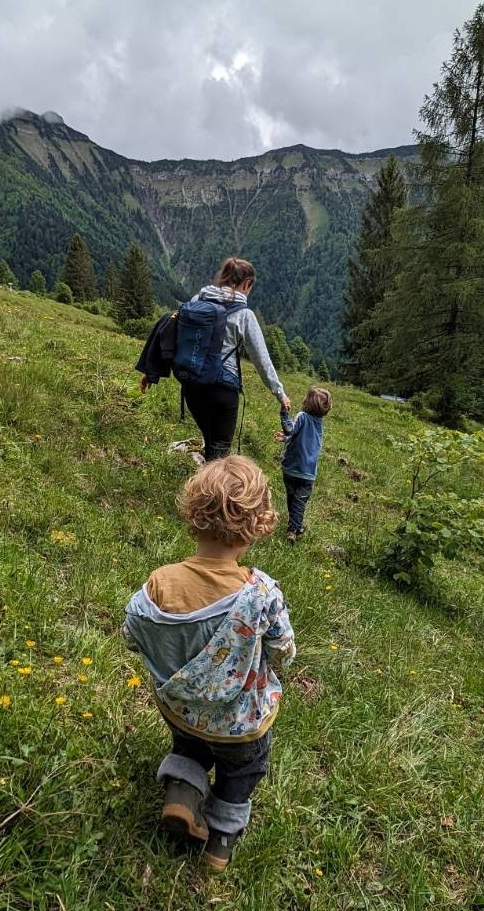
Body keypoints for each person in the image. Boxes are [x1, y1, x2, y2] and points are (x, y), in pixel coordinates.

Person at [123, 456, 296, 871]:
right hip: (240, 723)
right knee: (242, 773)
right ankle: (219, 846)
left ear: (192, 514)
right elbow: (284, 650)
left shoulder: (161, 582)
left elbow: (132, 633)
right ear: (258, 525)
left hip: (181, 711)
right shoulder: (259, 594)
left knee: (190, 744)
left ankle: (181, 795)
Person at [141, 257, 291, 461]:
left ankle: (206, 481)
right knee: (220, 452)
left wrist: (152, 370)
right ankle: (212, 489)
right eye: (250, 287)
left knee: (211, 443)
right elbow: (261, 360)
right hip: (223, 390)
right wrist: (280, 393)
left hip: (192, 385)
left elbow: (175, 333)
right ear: (246, 284)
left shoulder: (196, 301)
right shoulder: (244, 315)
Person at [276, 387, 331, 542]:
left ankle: (293, 528)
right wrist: (286, 439)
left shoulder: (302, 416)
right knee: (299, 502)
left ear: (307, 402)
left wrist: (284, 412)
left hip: (291, 468)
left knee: (292, 498)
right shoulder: (319, 423)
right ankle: (295, 527)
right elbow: (304, 438)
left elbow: (289, 429)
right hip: (308, 472)